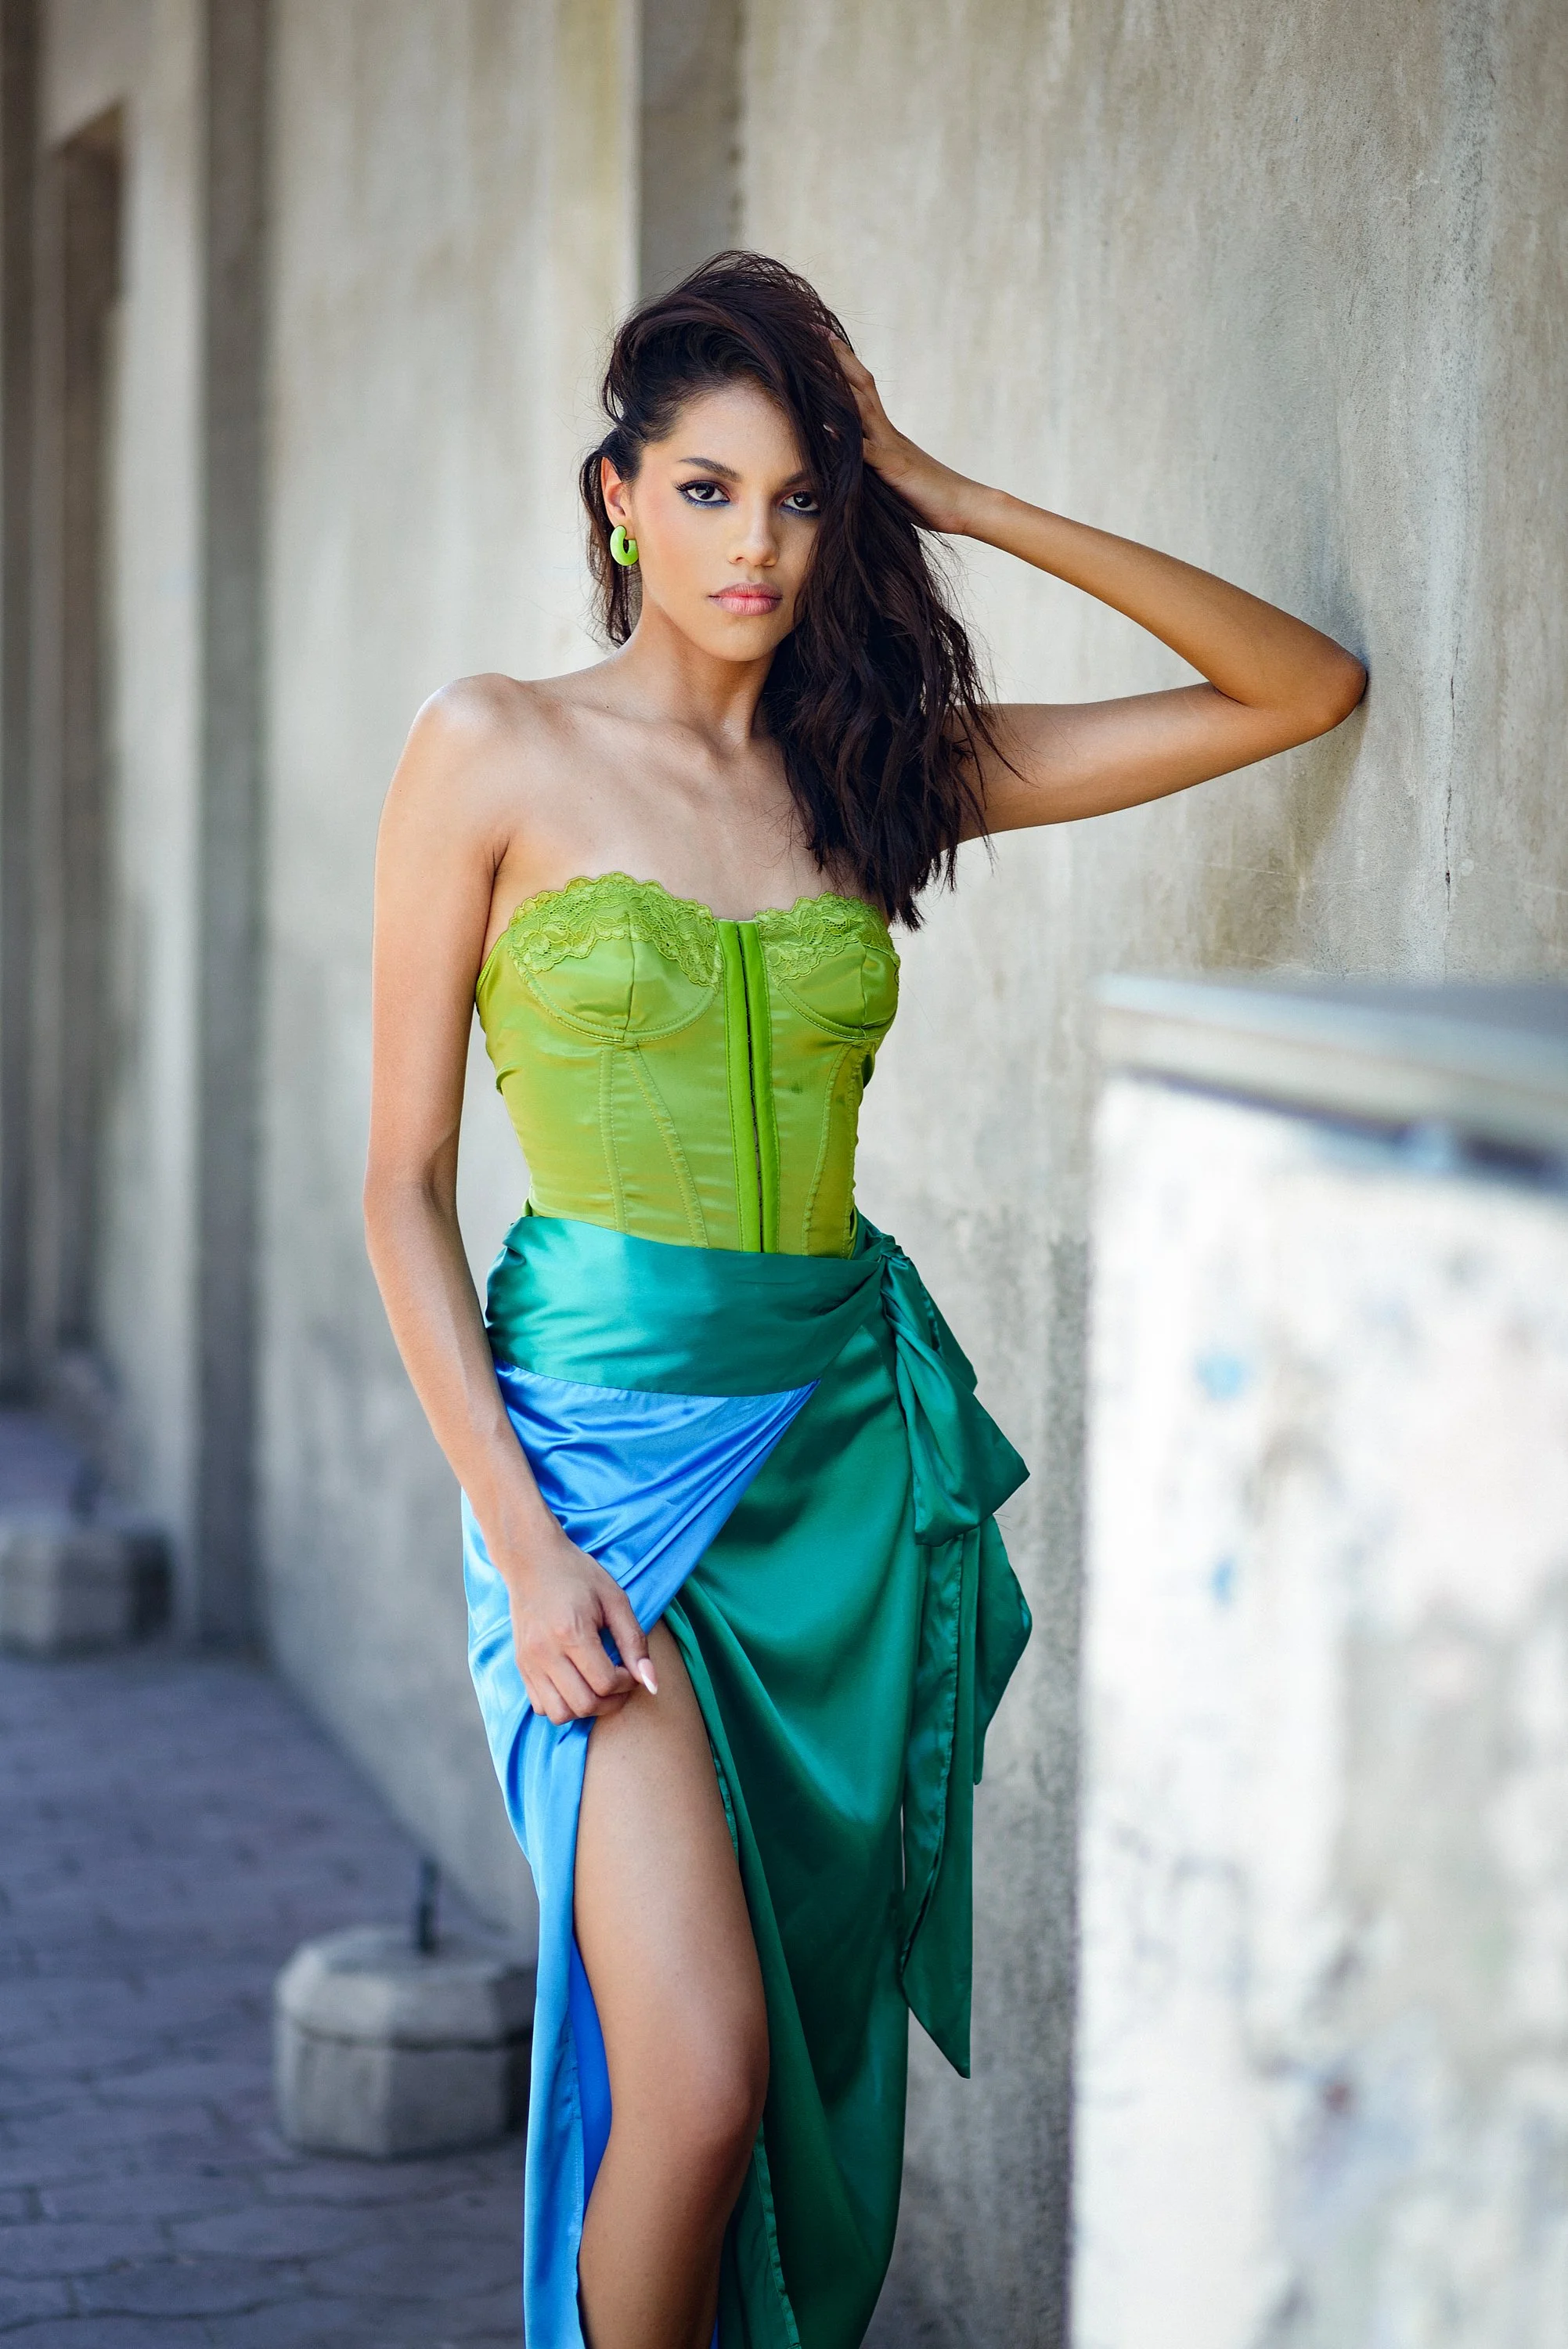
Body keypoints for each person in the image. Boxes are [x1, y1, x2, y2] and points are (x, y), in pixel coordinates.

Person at [364, 251, 1365, 2349]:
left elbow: (1297, 691)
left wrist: (950, 487)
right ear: (618, 497)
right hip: (597, 1487)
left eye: (804, 498)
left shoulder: (878, 768)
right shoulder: (492, 749)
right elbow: (403, 1189)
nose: (758, 545)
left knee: (789, 2064)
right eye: (711, 491)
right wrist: (526, 1549)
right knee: (703, 2076)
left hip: (834, 1472)